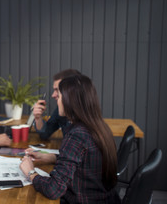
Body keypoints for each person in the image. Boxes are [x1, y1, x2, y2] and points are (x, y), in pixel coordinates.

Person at [20, 75, 121, 203]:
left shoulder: (76, 134)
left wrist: (31, 173)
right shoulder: (99, 126)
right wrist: (52, 157)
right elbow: (84, 161)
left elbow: (53, 190)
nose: (57, 100)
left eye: (60, 96)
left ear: (70, 101)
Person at [32, 69, 81, 139]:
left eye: (57, 90)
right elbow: (45, 133)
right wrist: (38, 118)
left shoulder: (85, 116)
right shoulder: (60, 109)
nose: (53, 95)